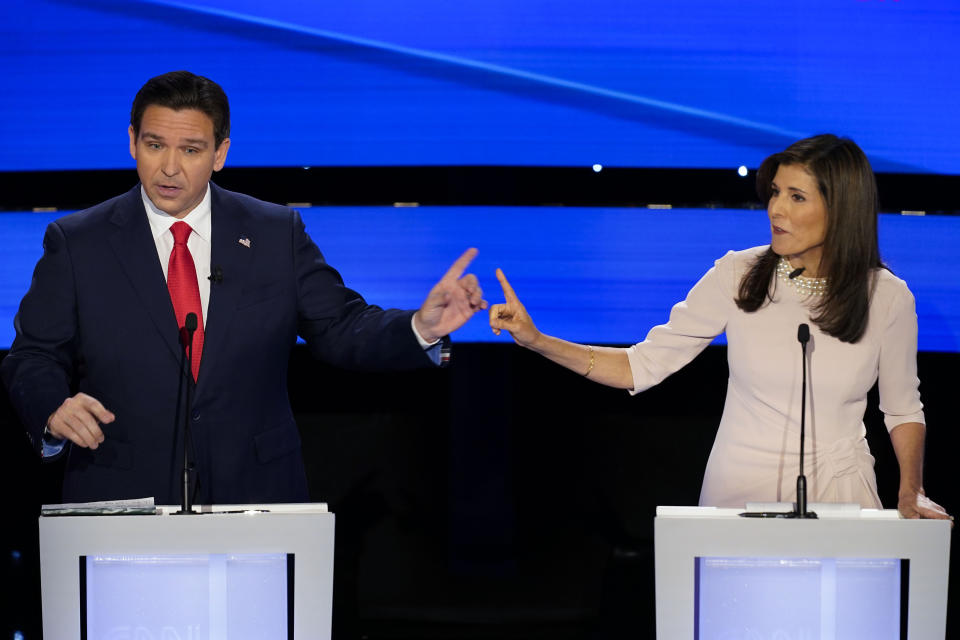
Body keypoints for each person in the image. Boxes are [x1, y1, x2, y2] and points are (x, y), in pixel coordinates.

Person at [1, 70, 486, 506]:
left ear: (220, 153)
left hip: (255, 494)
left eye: (190, 149)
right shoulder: (78, 241)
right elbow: (33, 355)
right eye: (154, 145)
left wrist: (420, 326)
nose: (169, 167)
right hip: (121, 492)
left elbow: (339, 327)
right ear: (132, 142)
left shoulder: (276, 233)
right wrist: (52, 408)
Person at [489, 134, 950, 520]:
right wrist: (538, 341)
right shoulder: (738, 274)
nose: (775, 209)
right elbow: (640, 365)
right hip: (739, 496)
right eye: (774, 192)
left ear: (842, 209)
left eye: (796, 197)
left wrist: (911, 491)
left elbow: (903, 409)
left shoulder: (887, 297)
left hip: (840, 497)